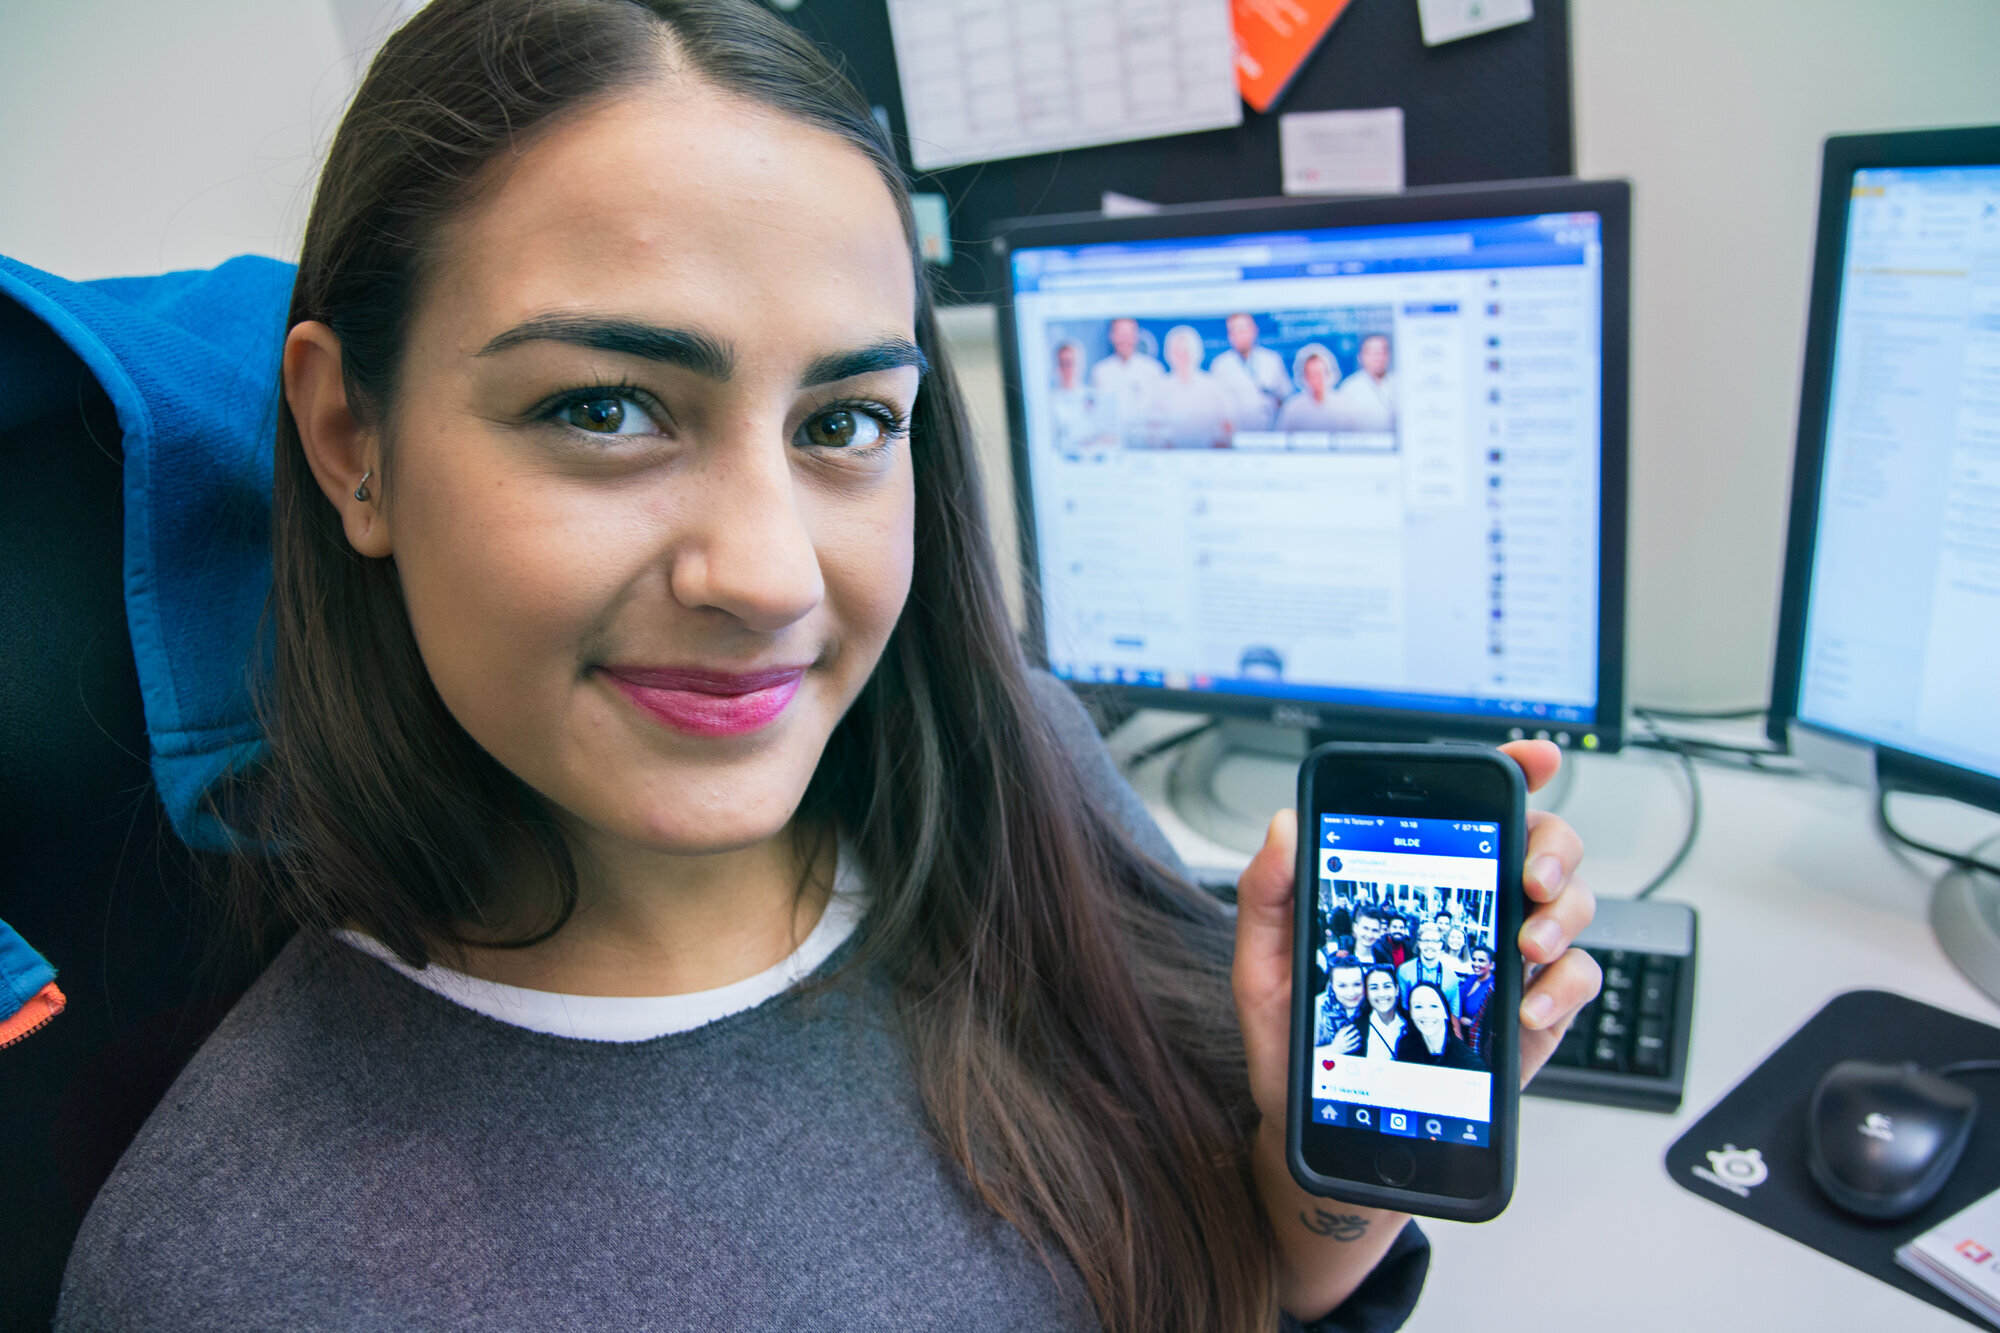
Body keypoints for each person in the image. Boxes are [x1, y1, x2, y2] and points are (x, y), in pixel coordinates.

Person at [52, 3, 1603, 1330]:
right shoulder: (233, 1269)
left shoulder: (1024, 766)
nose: (775, 575)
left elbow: (1237, 1281)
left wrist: (1322, 1178)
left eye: (844, 423)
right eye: (607, 407)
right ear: (350, 443)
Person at [1137, 325, 1233, 448]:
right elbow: (1152, 429)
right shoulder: (1160, 387)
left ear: (1196, 351)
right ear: (1169, 354)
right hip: (1170, 460)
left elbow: (1226, 425)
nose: (1182, 356)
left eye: (1186, 350)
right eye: (1177, 351)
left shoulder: (1212, 385)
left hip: (1210, 458)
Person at [1209, 312, 1289, 430]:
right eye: (1233, 331)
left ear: (1253, 330)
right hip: (1234, 438)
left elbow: (1284, 397)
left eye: (1242, 330)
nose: (1237, 336)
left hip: (1269, 435)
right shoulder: (1220, 365)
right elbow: (1215, 407)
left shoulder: (1272, 360)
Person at [1089, 316, 1165, 423]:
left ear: (1136, 336)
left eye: (1128, 334)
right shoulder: (1100, 371)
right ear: (1111, 336)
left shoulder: (1153, 370)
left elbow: (1160, 411)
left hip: (1146, 437)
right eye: (1120, 334)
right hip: (1111, 437)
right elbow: (1096, 413)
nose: (1124, 340)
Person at [1394, 983, 1485, 1070]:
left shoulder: (1470, 1064)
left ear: (1446, 1013)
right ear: (1411, 1014)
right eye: (1418, 1007)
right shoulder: (1405, 1048)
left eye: (1434, 1006)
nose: (1426, 1014)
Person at [1274, 344, 1353, 433]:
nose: (1316, 380)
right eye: (1311, 375)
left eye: (1319, 374)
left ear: (1329, 373)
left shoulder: (1345, 406)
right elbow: (1281, 437)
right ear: (1303, 376)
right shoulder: (1292, 407)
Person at [1397, 922, 1464, 1018]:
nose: (1429, 945)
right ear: (1419, 943)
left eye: (1434, 941)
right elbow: (1403, 1006)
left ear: (1440, 945)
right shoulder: (1404, 971)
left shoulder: (1452, 977)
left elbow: (1455, 1013)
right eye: (1426, 941)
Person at [1337, 333, 1396, 432]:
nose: (1379, 358)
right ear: (1360, 357)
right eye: (1374, 353)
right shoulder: (1349, 387)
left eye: (1383, 352)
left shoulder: (1399, 382)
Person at [1314, 958, 1369, 1053]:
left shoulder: (1371, 1001)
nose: (1351, 993)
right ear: (1331, 986)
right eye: (1342, 986)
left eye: (1357, 984)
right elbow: (1302, 1052)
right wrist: (1334, 1049)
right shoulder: (1319, 1007)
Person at [1358, 965, 1408, 1060]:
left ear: (1396, 990)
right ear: (1367, 993)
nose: (1381, 994)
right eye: (1374, 988)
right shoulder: (1358, 1029)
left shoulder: (1411, 1022)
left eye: (1387, 986)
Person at [1457, 944, 1498, 1050]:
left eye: (1481, 960)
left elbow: (1492, 1021)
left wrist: (1471, 1023)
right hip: (1461, 1035)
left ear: (1492, 965)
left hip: (1477, 1042)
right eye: (1474, 959)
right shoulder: (1471, 979)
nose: (1476, 964)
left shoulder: (1493, 987)